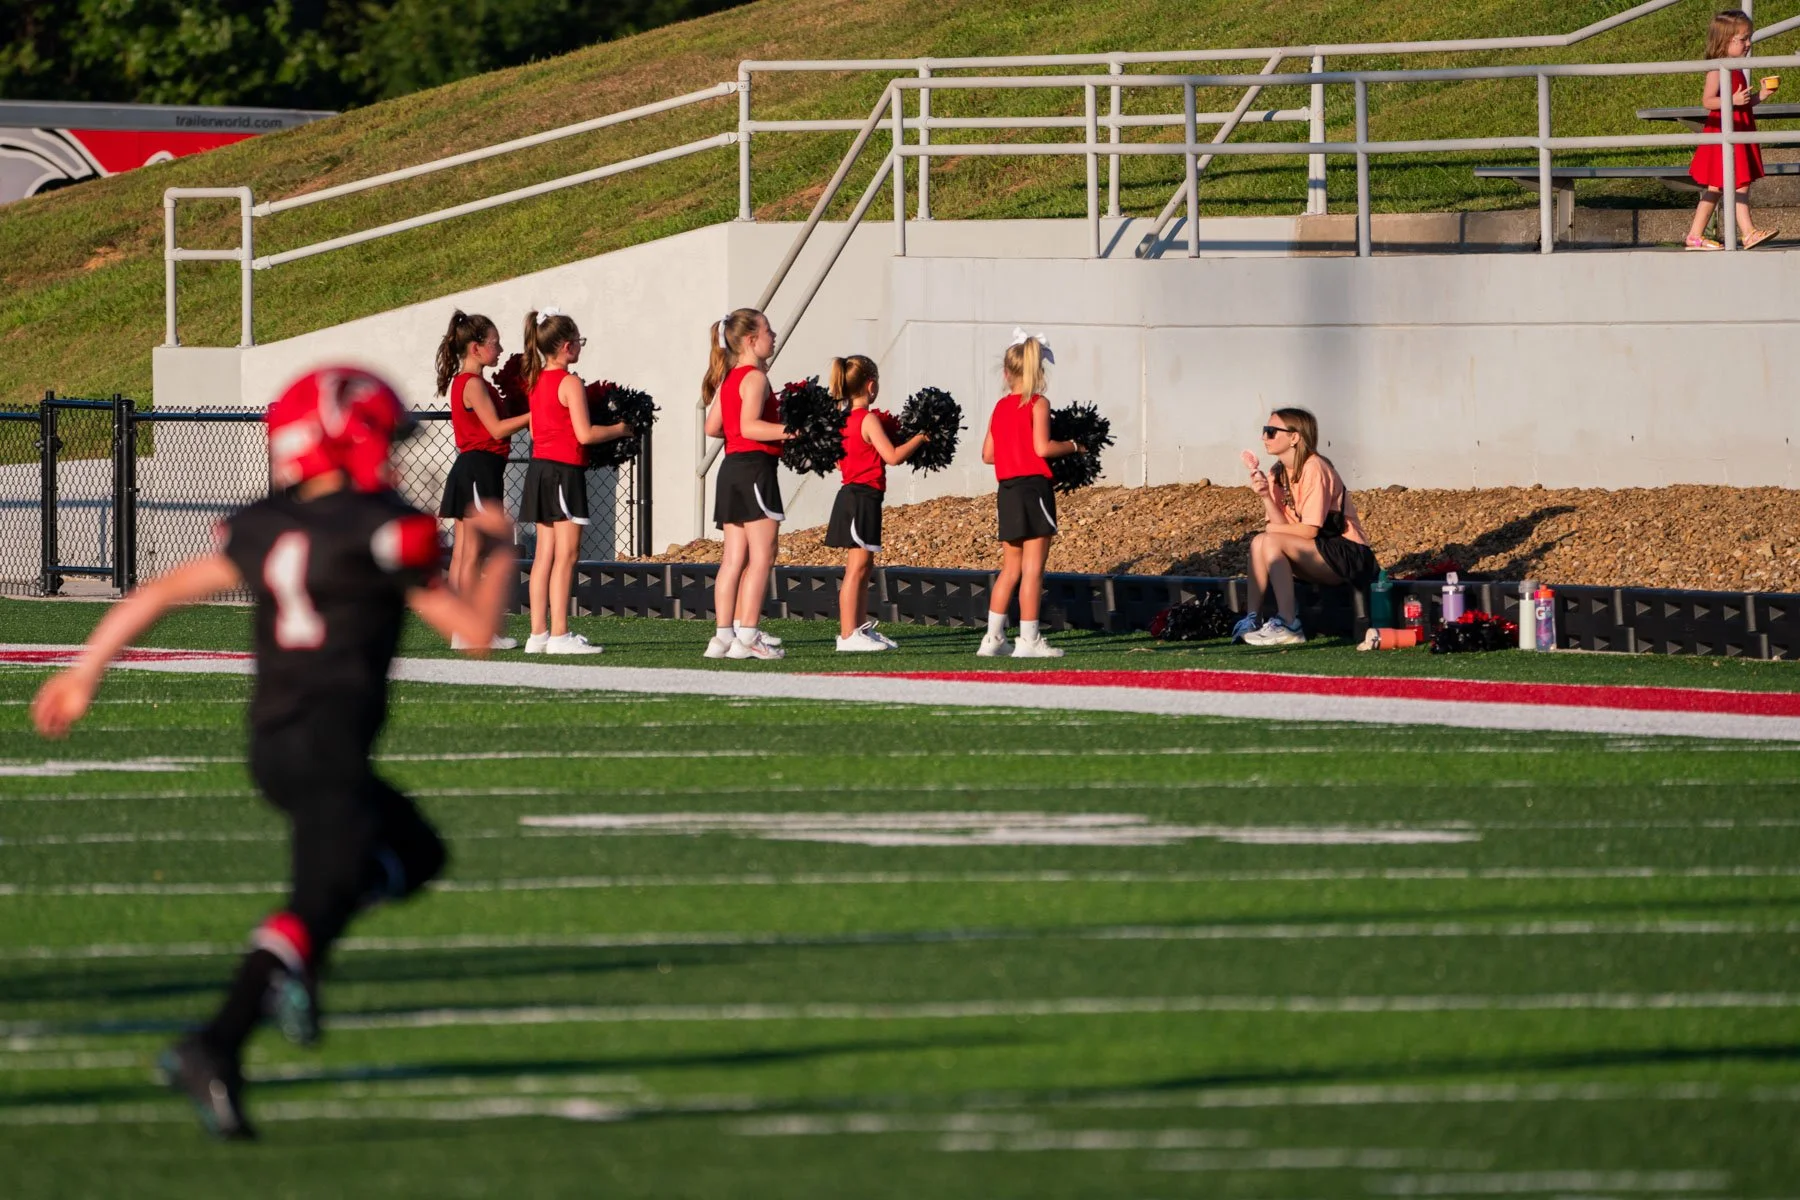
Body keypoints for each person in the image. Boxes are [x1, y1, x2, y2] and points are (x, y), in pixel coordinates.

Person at [31, 366, 516, 1140]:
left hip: (276, 745)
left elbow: (157, 592)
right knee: (321, 901)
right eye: (382, 440)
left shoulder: (263, 522)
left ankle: (296, 968)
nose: (390, 459)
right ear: (346, 439)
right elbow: (476, 632)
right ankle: (217, 1042)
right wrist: (497, 555)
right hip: (329, 747)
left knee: (413, 853)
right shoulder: (380, 525)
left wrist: (86, 671)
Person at [518, 307, 632, 655]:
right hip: (563, 473)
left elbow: (536, 431)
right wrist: (621, 429)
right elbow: (584, 434)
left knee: (543, 557)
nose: (580, 347)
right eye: (579, 341)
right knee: (566, 556)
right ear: (567, 346)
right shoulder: (569, 383)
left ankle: (538, 634)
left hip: (539, 470)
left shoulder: (536, 382)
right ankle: (560, 635)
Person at [978, 329, 1083, 659]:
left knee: (1010, 569)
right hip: (1034, 489)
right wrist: (1074, 446)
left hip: (1006, 491)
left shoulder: (999, 406)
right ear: (1038, 372)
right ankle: (1029, 641)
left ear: (1007, 373)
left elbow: (987, 455)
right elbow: (1042, 447)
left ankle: (992, 640)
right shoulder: (1038, 403)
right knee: (1034, 570)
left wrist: (1014, 449)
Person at [1235, 407, 1378, 647]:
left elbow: (1310, 529)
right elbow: (1283, 529)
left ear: (1294, 437)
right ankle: (1253, 619)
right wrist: (1266, 497)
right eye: (1264, 431)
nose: (1264, 438)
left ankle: (1290, 623)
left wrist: (1271, 531)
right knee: (1259, 541)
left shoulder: (1315, 467)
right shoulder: (1276, 473)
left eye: (1271, 432)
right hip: (1314, 550)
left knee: (1267, 538)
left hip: (1347, 553)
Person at [435, 309, 529, 649]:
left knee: (465, 553)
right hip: (478, 468)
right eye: (495, 343)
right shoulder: (472, 384)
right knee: (471, 553)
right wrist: (537, 413)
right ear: (476, 348)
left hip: (478, 468)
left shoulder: (474, 382)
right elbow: (497, 429)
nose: (500, 349)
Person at [703, 308, 790, 661]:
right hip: (754, 468)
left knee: (733, 558)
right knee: (762, 555)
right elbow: (751, 425)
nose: (774, 336)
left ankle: (724, 635)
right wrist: (794, 431)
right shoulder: (754, 378)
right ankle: (749, 636)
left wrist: (740, 433)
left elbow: (712, 427)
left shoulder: (729, 378)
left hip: (731, 469)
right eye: (768, 330)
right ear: (752, 340)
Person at [823, 354, 926, 651]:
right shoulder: (867, 419)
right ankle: (847, 635)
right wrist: (920, 438)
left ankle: (859, 629)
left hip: (861, 497)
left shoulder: (843, 420)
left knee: (864, 566)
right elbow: (892, 456)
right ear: (871, 386)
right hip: (860, 498)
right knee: (856, 568)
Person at [1686, 9, 1778, 251]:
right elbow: (1708, 101)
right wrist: (1732, 100)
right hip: (1724, 133)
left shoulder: (1736, 69)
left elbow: (1742, 103)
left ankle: (1696, 235)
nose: (1748, 44)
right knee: (1729, 184)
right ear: (1725, 40)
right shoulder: (1718, 68)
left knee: (1721, 187)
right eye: (1743, 39)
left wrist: (1761, 96)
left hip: (1738, 130)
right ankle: (1747, 233)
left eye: (1749, 38)